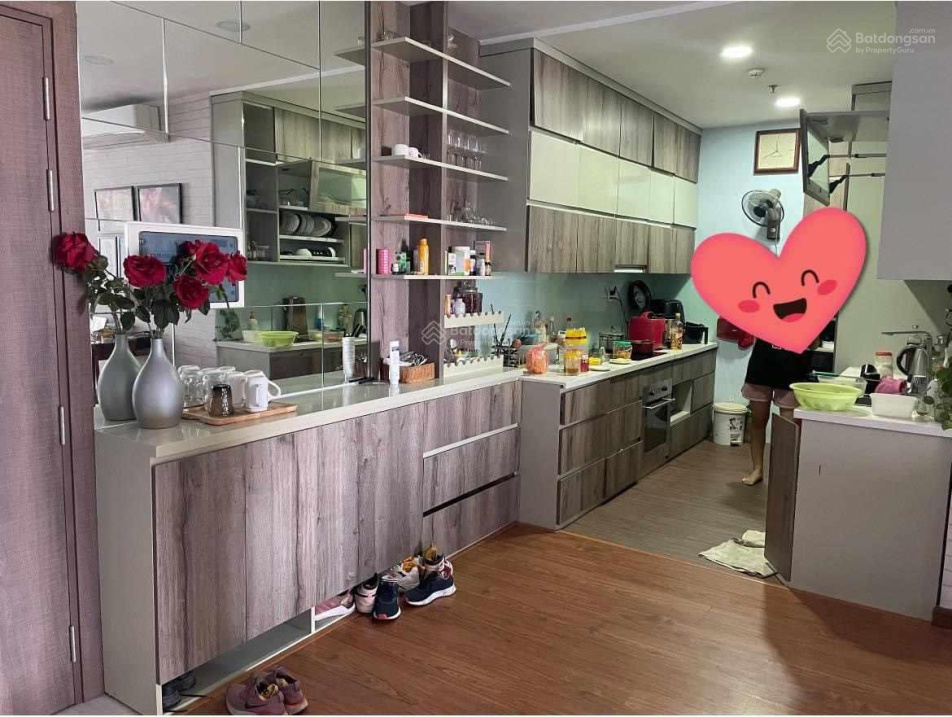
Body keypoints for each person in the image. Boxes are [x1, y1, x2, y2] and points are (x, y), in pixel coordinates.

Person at [739, 338, 813, 485]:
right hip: (761, 365)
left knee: (788, 428)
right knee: (758, 421)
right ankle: (757, 469)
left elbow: (814, 343)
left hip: (793, 368)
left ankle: (784, 474)